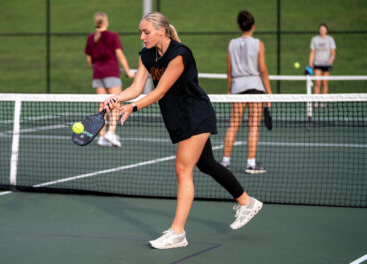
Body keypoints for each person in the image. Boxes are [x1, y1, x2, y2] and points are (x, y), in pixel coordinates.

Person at [102, 12, 263, 250]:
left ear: (161, 31)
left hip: (196, 114)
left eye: (146, 32)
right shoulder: (147, 55)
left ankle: (178, 233)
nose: (142, 37)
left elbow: (159, 92)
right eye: (140, 32)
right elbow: (137, 86)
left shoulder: (180, 54)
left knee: (182, 168)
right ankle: (246, 202)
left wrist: (132, 107)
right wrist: (115, 98)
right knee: (206, 164)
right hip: (178, 118)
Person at [220, 10, 272, 174]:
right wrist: (269, 93)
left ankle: (225, 162)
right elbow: (263, 70)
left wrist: (230, 90)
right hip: (255, 86)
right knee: (253, 126)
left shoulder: (231, 43)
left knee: (233, 124)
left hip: (237, 87)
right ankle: (250, 164)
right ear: (253, 26)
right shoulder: (259, 44)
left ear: (240, 25)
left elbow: (229, 72)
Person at [85, 12, 135, 147]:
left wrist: (96, 68)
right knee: (116, 103)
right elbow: (120, 56)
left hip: (97, 75)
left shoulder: (91, 37)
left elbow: (89, 59)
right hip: (111, 73)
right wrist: (129, 72)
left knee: (102, 106)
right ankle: (110, 133)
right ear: (106, 22)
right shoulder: (112, 36)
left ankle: (101, 137)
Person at [309, 23, 336, 107]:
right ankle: (316, 101)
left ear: (326, 30)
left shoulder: (330, 39)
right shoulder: (315, 39)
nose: (322, 31)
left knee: (325, 83)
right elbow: (312, 52)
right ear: (319, 30)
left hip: (326, 64)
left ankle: (323, 101)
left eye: (324, 29)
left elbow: (333, 51)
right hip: (317, 64)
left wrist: (332, 58)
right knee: (317, 82)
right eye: (321, 29)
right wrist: (310, 62)